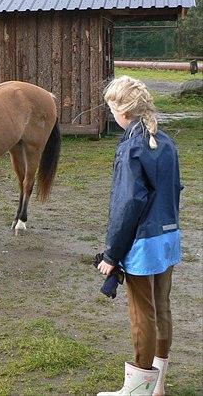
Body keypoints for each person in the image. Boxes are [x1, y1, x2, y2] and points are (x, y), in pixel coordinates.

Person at [96, 76, 182, 396]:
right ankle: (157, 385)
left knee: (141, 312)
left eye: (110, 107)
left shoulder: (130, 146)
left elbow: (126, 204)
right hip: (169, 236)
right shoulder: (166, 141)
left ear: (122, 110)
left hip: (143, 243)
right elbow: (173, 190)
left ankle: (137, 391)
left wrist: (111, 255)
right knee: (162, 307)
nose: (110, 113)